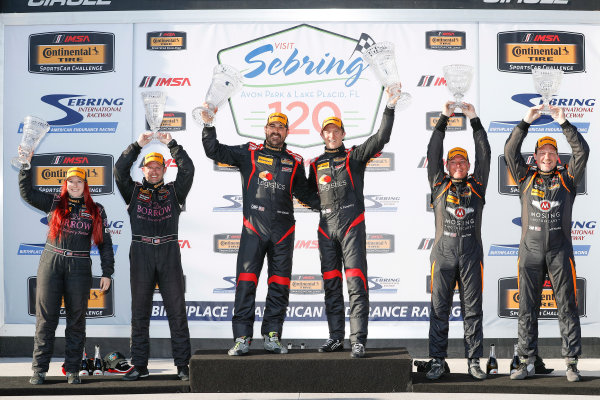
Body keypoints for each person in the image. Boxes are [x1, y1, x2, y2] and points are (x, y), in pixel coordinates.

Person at [200, 108, 318, 356]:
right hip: (254, 229)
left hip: (284, 231)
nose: (276, 131)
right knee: (245, 284)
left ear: (287, 132)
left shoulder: (295, 161)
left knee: (280, 285)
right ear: (266, 129)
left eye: (281, 128)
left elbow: (307, 195)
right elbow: (214, 151)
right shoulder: (249, 153)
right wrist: (208, 125)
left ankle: (272, 335)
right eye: (272, 127)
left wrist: (333, 204)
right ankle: (242, 338)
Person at [307, 88, 400, 358]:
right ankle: (335, 337)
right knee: (331, 285)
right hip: (326, 229)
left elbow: (381, 137)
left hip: (351, 226)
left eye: (336, 131)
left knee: (356, 284)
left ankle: (358, 339)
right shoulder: (315, 164)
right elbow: (302, 191)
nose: (332, 135)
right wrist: (321, 205)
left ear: (343, 134)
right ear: (322, 135)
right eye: (327, 131)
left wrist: (389, 107)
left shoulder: (355, 157)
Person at [505, 105, 589, 382]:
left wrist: (564, 122)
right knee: (527, 308)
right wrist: (524, 123)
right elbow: (509, 152)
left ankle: (571, 362)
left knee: (566, 306)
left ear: (557, 157)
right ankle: (526, 362)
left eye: (552, 153)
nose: (547, 157)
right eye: (542, 153)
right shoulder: (525, 177)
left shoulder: (567, 178)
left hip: (559, 252)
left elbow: (582, 152)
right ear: (535, 156)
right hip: (529, 253)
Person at [19, 157, 114, 385]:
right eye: (70, 181)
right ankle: (39, 370)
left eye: (78, 181)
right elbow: (26, 192)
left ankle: (72, 369)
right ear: (65, 184)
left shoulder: (96, 210)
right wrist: (25, 166)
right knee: (46, 320)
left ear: (85, 185)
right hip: (51, 263)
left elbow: (105, 244)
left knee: (76, 321)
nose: (74, 185)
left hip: (79, 267)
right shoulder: (54, 202)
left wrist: (107, 272)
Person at [114, 132, 194, 381]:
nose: (154, 170)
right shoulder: (133, 191)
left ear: (164, 169)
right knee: (139, 313)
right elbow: (119, 169)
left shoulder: (175, 191)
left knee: (177, 312)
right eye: (150, 166)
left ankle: (183, 365)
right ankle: (140, 365)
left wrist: (171, 144)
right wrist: (138, 145)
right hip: (141, 252)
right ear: (144, 169)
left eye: (158, 166)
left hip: (169, 252)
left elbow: (188, 169)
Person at [425, 102, 490, 380]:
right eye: (454, 161)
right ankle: (438, 361)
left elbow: (485, 154)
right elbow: (433, 150)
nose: (459, 165)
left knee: (472, 312)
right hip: (442, 257)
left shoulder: (478, 185)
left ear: (468, 165)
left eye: (463, 161)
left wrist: (474, 119)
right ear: (447, 166)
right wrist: (443, 119)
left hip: (471, 257)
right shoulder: (438, 184)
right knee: (439, 311)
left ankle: (474, 360)